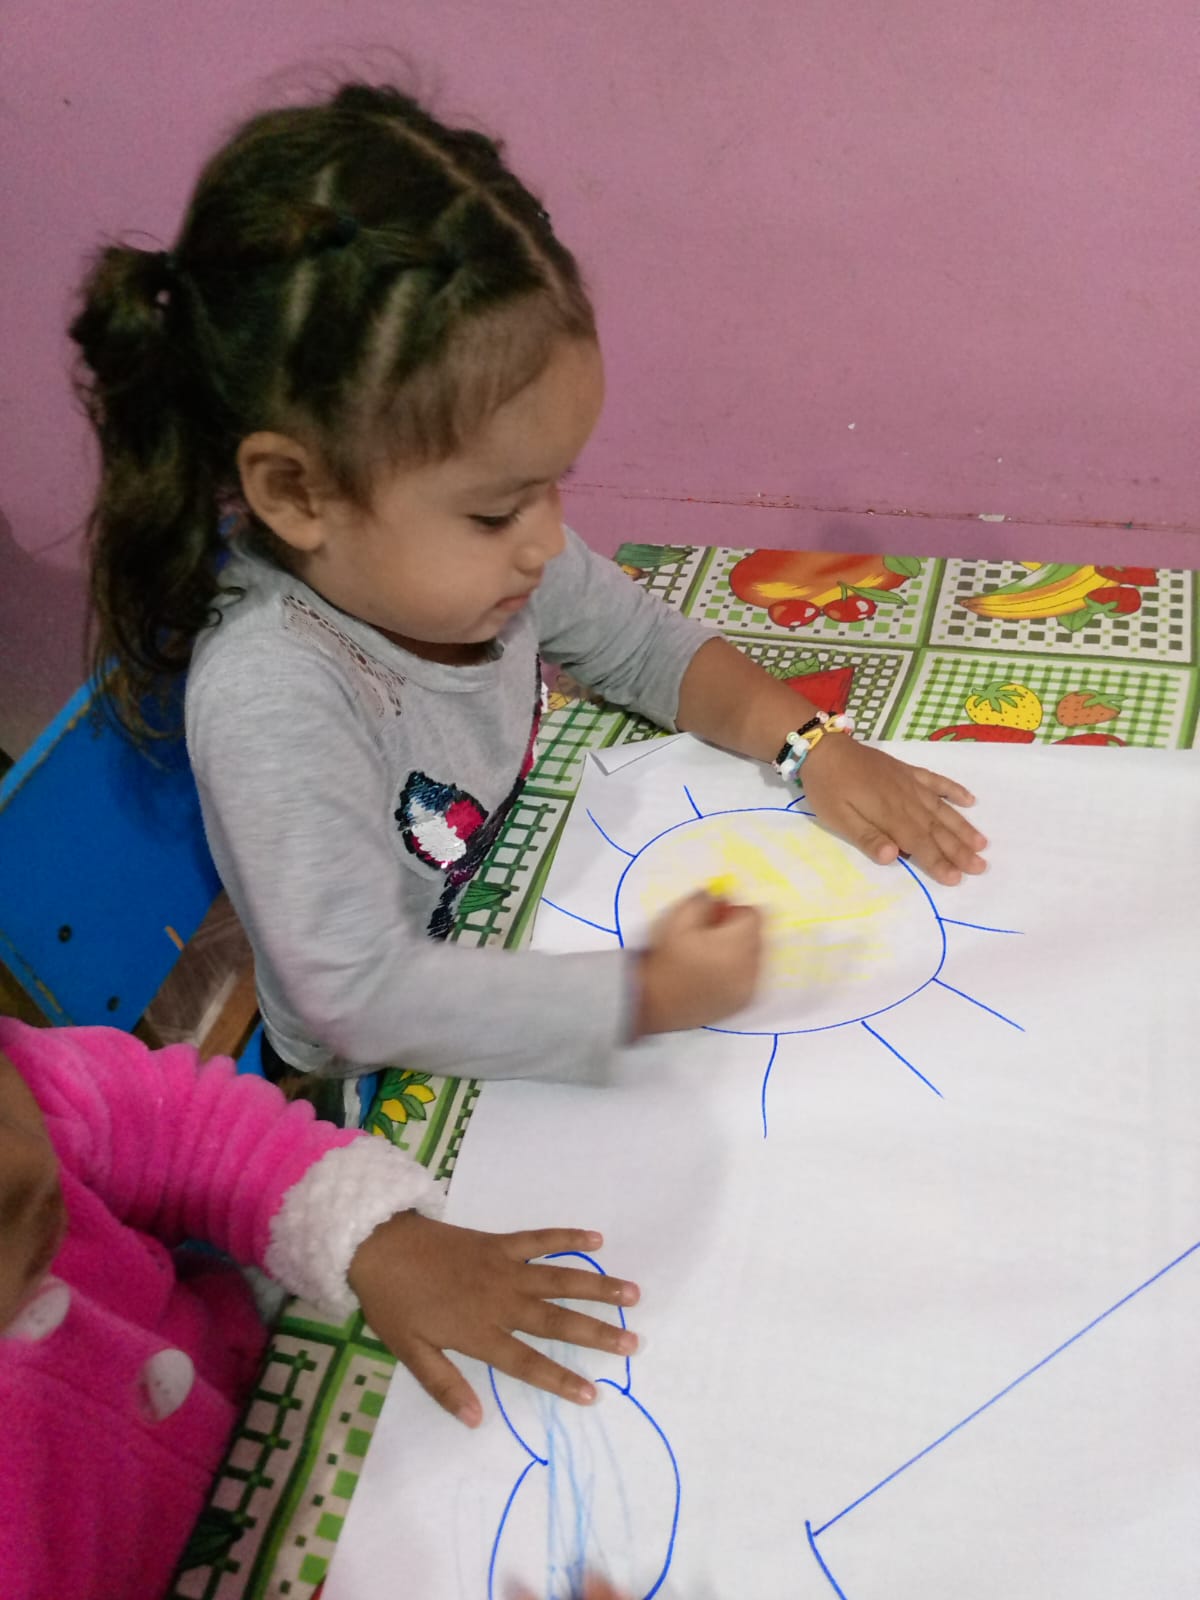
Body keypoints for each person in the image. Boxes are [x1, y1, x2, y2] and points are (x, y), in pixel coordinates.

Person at [73, 81, 987, 1114]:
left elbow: (645, 646)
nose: (547, 540)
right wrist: (642, 995)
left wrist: (810, 746)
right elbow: (355, 998)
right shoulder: (273, 692)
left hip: (516, 909)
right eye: (497, 510)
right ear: (298, 492)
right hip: (374, 1080)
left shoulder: (479, 571)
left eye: (552, 487)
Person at [0, 1019, 640, 1600]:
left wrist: (367, 1231)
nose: (29, 1166)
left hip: (272, 1365)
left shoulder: (27, 1083)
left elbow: (176, 1124)